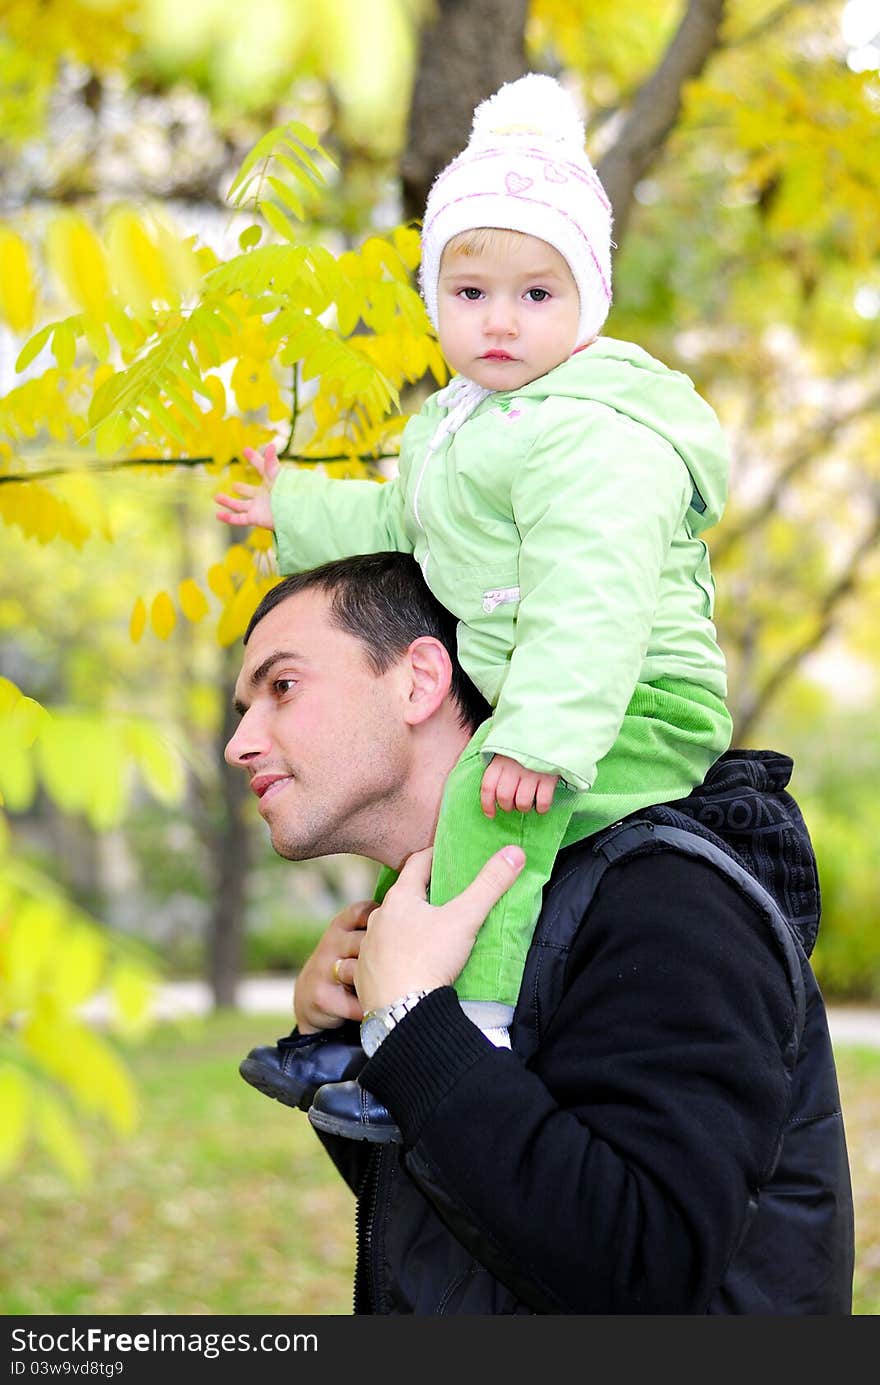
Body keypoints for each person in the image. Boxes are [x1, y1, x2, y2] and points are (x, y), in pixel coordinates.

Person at [217, 72, 732, 1126]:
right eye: (468, 293)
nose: (500, 322)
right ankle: (370, 1032)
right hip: (548, 698)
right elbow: (397, 529)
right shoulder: (459, 430)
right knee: (450, 819)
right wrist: (291, 505)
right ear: (435, 301)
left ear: (587, 299)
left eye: (536, 294)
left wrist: (537, 738)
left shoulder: (588, 430)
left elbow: (593, 596)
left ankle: (459, 1034)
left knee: (483, 811)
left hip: (633, 696)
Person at [224, 551, 854, 1314]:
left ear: (420, 680)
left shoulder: (662, 894)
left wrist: (412, 1026)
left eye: (282, 687)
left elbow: (643, 1272)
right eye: (242, 709)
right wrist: (339, 1037)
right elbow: (464, 1228)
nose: (240, 743)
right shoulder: (431, 913)